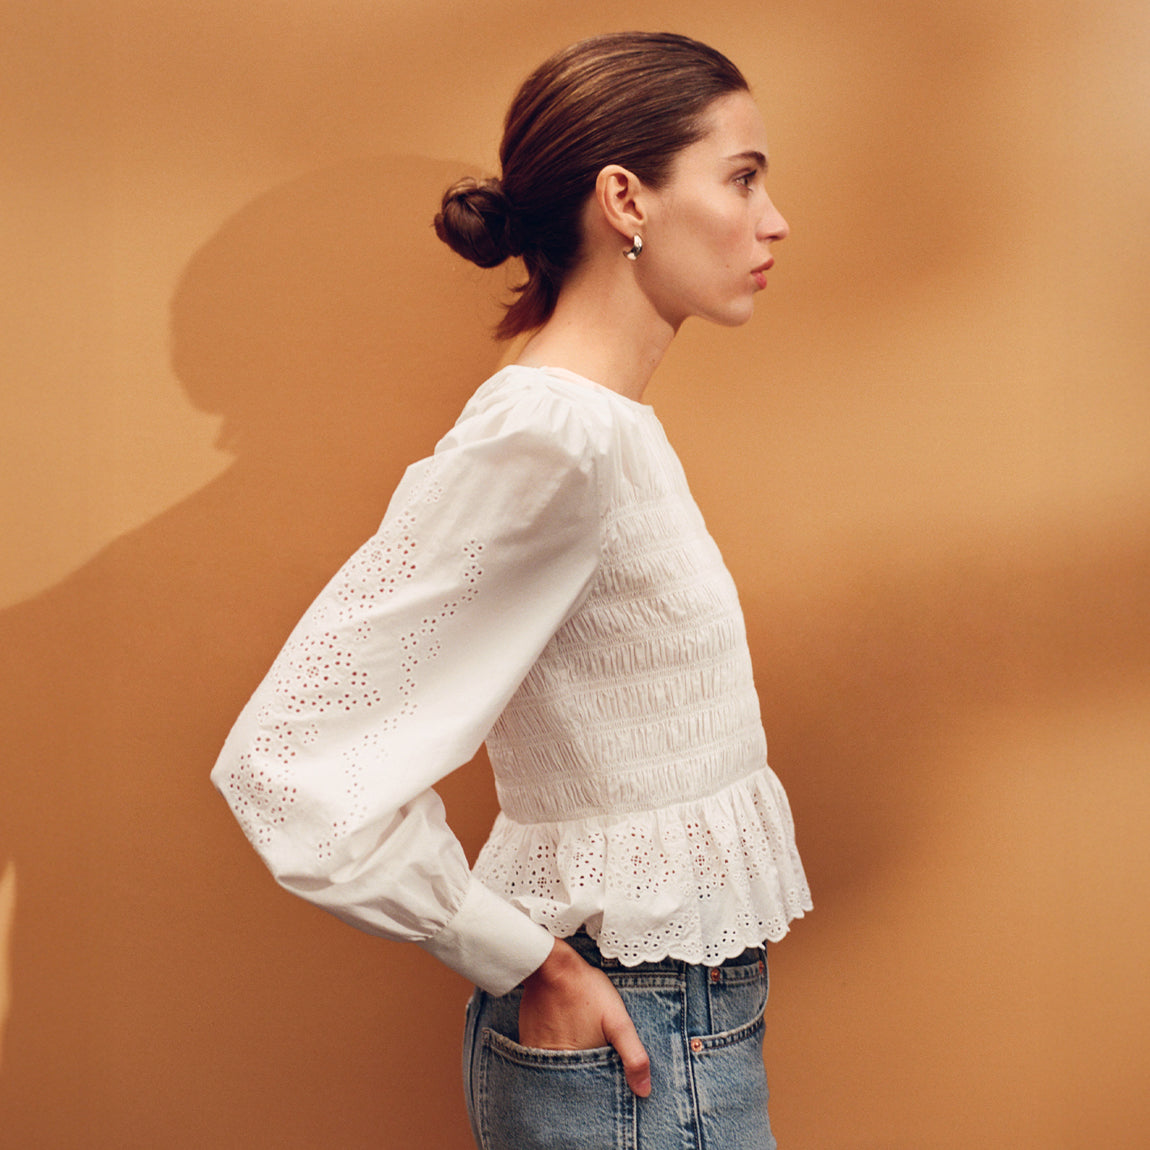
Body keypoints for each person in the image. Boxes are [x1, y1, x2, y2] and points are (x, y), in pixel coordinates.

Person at [212, 30, 811, 1149]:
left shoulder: (592, 425)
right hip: (639, 1036)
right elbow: (283, 762)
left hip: (669, 1024)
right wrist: (517, 953)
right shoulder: (553, 435)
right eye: (740, 177)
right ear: (625, 198)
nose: (772, 218)